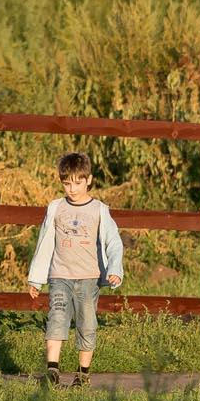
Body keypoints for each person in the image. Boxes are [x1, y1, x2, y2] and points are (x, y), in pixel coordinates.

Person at [26, 150, 125, 388]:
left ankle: (82, 375)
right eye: (67, 183)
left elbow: (114, 241)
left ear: (89, 180)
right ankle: (52, 371)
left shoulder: (99, 209)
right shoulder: (56, 208)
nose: (72, 188)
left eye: (78, 182)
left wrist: (114, 269)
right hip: (60, 275)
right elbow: (45, 242)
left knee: (87, 323)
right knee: (57, 317)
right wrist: (36, 278)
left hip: (88, 277)